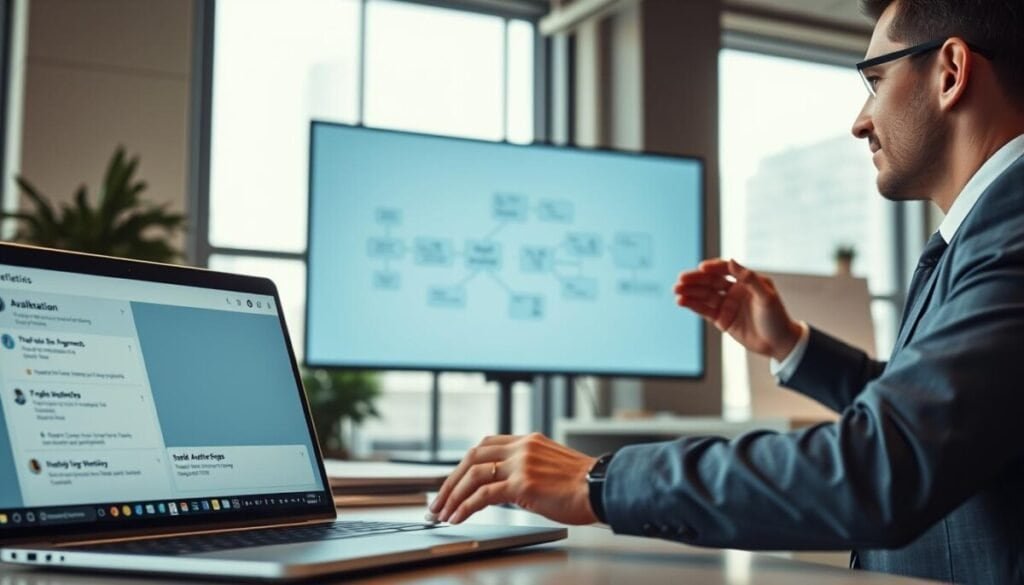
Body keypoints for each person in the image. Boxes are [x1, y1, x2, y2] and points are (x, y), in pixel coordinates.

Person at [429, 0, 1024, 582]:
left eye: (875, 80)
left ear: (950, 72)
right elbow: (949, 421)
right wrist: (792, 346)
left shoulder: (1012, 232)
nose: (860, 120)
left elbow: (885, 465)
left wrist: (599, 482)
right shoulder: (990, 227)